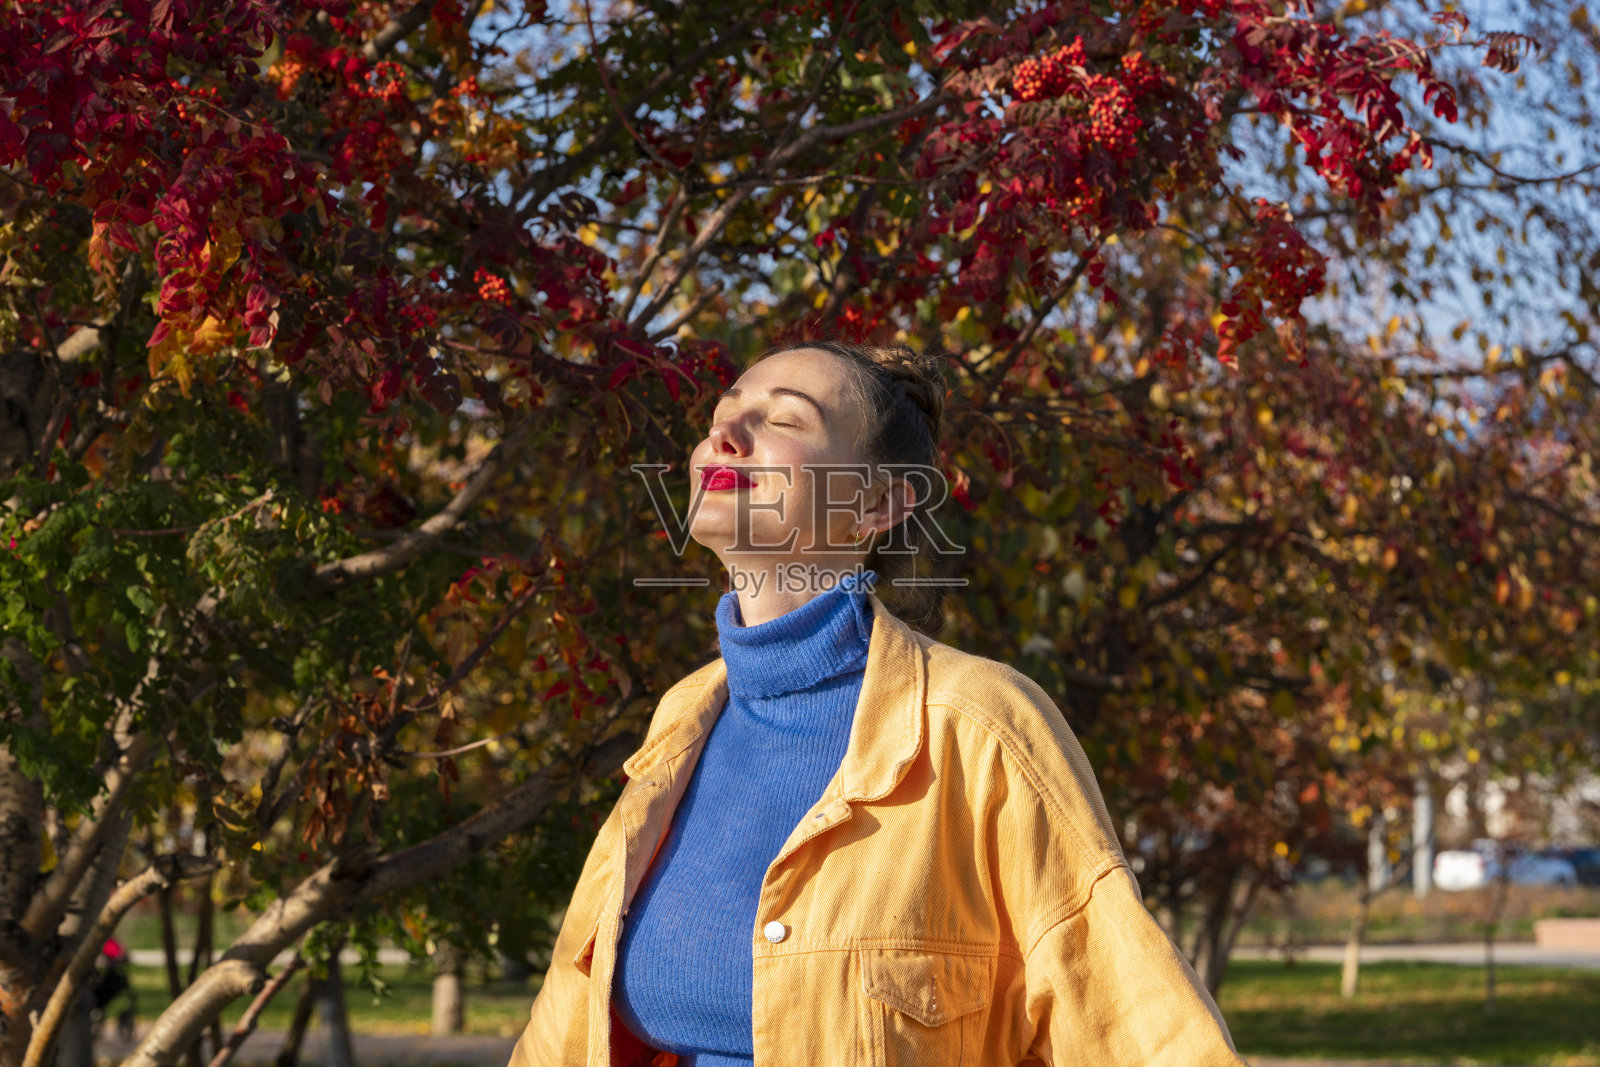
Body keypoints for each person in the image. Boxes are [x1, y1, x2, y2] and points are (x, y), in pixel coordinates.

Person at [508, 340, 1247, 1066]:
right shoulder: (682, 719)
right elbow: (564, 1025)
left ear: (879, 504)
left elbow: (1133, 1025)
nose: (723, 435)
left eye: (786, 420)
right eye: (723, 413)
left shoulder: (981, 725)